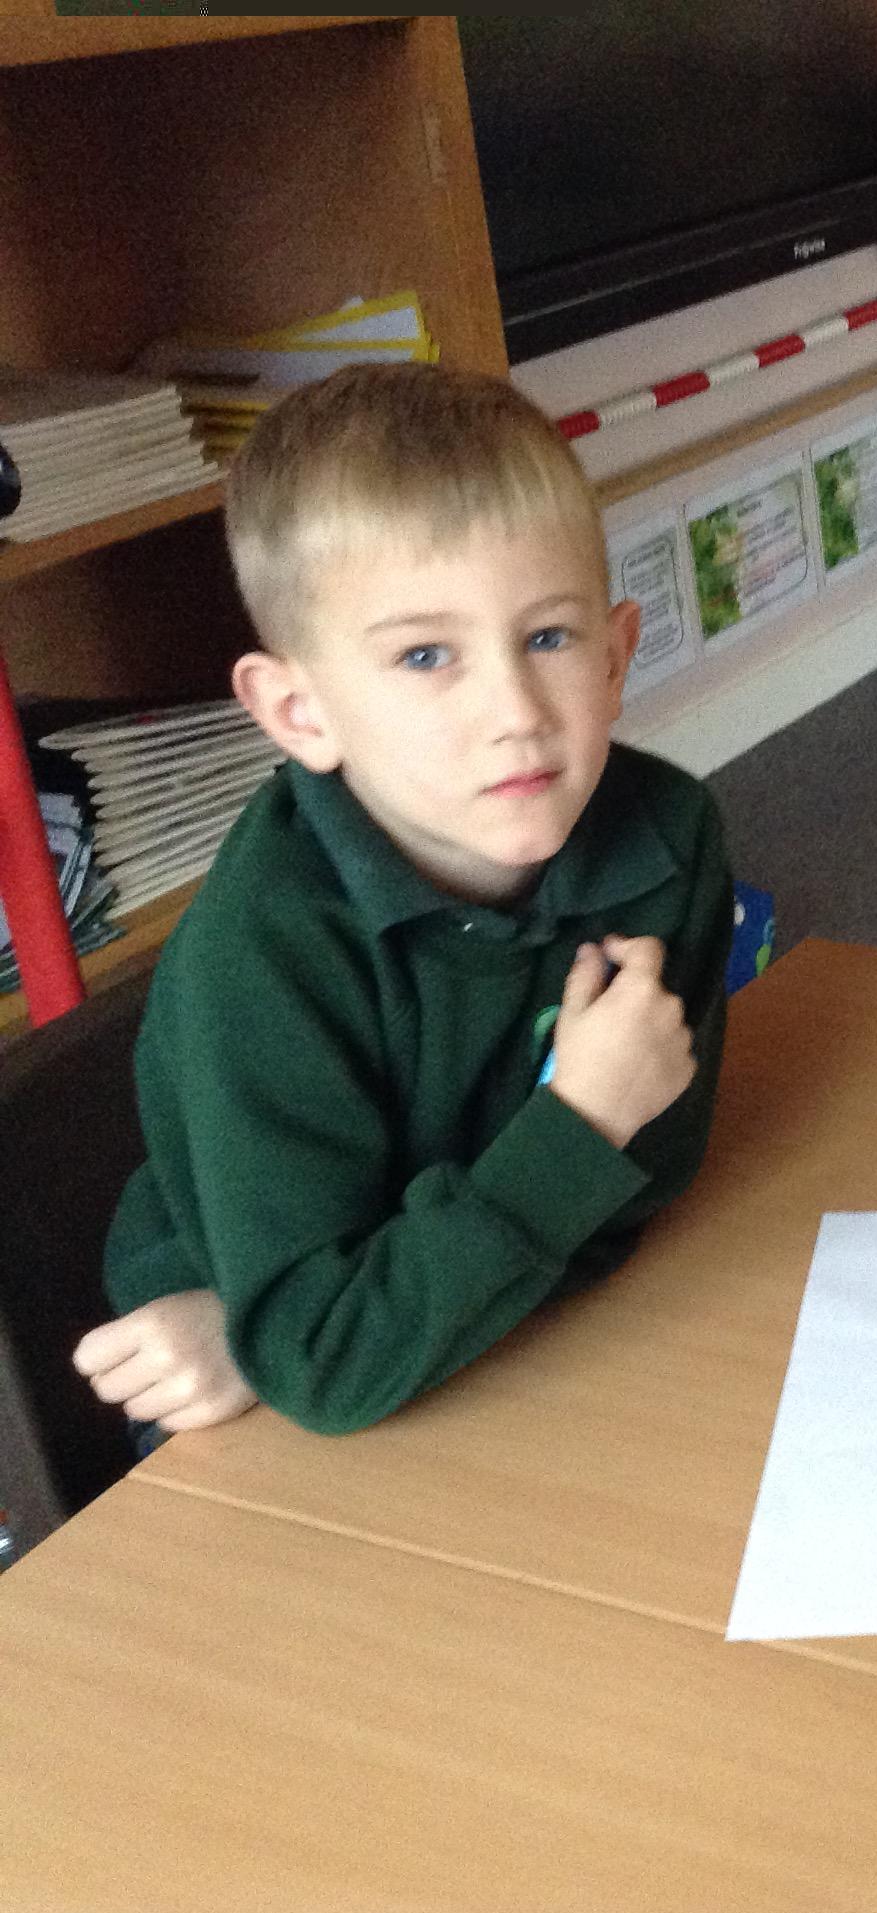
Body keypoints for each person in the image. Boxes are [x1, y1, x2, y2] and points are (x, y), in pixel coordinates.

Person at [74, 362, 733, 1437]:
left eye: (549, 638)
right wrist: (582, 1124)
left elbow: (643, 1196)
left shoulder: (669, 837)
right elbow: (324, 1363)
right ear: (300, 712)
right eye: (426, 655)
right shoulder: (262, 952)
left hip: (475, 1322)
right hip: (265, 1369)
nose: (516, 712)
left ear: (617, 656)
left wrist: (422, 1289)